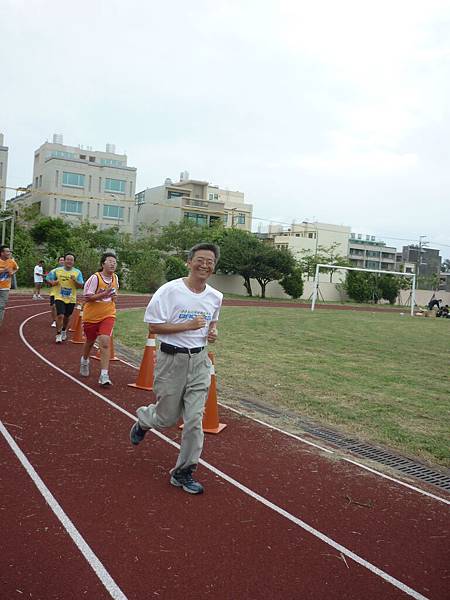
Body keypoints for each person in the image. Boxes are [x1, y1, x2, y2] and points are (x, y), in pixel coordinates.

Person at [129, 242, 223, 495]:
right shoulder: (169, 291)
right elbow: (154, 327)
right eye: (200, 260)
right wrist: (188, 326)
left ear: (214, 266)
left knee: (194, 420)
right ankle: (145, 419)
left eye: (210, 261)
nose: (205, 265)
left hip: (200, 362)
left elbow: (212, 323)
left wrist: (212, 332)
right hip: (171, 361)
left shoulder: (215, 296)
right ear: (189, 262)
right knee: (167, 418)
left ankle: (184, 471)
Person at [80, 252, 119, 386]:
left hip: (108, 314)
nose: (113, 263)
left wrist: (113, 296)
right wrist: (104, 294)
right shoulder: (95, 278)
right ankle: (84, 360)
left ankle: (104, 375)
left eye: (114, 262)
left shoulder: (115, 278)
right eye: (110, 261)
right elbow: (87, 297)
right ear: (103, 264)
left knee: (105, 341)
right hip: (91, 316)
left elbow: (114, 294)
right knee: (90, 341)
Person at [46, 253, 84, 343]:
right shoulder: (57, 271)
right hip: (59, 296)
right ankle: (58, 334)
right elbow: (48, 279)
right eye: (67, 259)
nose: (69, 261)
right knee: (60, 315)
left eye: (71, 260)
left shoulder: (77, 272)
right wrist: (52, 283)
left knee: (67, 316)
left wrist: (75, 280)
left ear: (74, 262)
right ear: (64, 260)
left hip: (71, 298)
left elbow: (81, 285)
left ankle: (63, 330)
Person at [0, 245, 19, 329]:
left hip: (5, 287)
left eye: (9, 251)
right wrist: (4, 270)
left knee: (1, 306)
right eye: (7, 251)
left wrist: (12, 272)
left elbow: (17, 268)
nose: (9, 253)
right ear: (2, 253)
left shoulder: (11, 261)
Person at [49, 257, 65, 326]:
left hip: (64, 292)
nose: (62, 261)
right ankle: (54, 321)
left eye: (63, 260)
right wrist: (54, 282)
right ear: (58, 262)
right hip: (54, 292)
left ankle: (62, 320)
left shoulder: (69, 271)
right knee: (53, 306)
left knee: (63, 308)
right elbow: (49, 280)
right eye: (60, 260)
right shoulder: (54, 271)